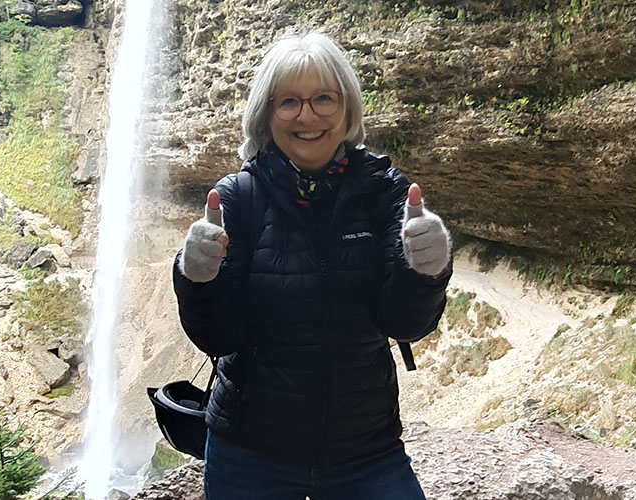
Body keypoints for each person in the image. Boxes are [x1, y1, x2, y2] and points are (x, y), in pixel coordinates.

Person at [172, 30, 452, 500]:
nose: (307, 116)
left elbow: (405, 322)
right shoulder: (238, 200)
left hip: (365, 449)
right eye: (288, 102)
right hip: (250, 452)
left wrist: (425, 269)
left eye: (323, 98)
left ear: (347, 109)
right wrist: (196, 278)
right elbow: (220, 338)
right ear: (266, 114)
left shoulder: (385, 194)